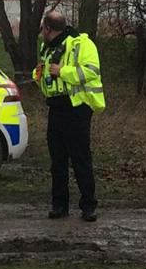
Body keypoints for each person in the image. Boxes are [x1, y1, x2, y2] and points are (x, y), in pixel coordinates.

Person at [33, 11, 105, 222]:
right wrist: (37, 74)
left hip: (77, 109)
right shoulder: (47, 48)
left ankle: (88, 206)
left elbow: (91, 71)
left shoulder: (82, 44)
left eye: (42, 30)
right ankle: (59, 205)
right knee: (58, 161)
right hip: (55, 108)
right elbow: (46, 78)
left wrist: (63, 71)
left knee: (81, 159)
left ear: (48, 29)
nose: (42, 34)